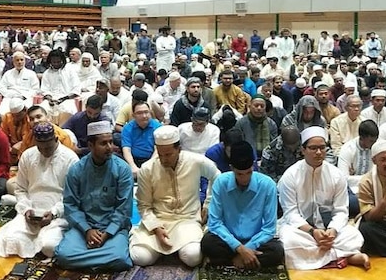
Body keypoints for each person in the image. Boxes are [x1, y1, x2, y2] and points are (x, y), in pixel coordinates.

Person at [277, 126, 370, 270]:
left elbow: (341, 211)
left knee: (354, 235)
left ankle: (320, 258)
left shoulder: (336, 175)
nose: (319, 152)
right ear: (303, 150)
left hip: (329, 231)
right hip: (303, 230)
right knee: (288, 241)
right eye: (313, 148)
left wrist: (332, 231)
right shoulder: (290, 176)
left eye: (322, 148)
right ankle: (344, 256)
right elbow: (291, 213)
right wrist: (312, 232)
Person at [129, 126, 220, 267]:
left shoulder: (195, 161)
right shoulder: (147, 169)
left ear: (179, 149)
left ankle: (177, 249)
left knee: (193, 257)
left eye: (169, 154)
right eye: (160, 155)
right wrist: (156, 228)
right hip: (158, 220)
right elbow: (144, 205)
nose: (164, 159)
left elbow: (217, 176)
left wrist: (208, 203)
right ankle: (166, 248)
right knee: (140, 258)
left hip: (187, 220)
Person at [54, 121, 133, 272]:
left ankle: (85, 260)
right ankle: (101, 262)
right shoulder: (77, 170)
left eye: (111, 142)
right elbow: (70, 205)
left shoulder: (122, 169)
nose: (110, 147)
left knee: (120, 258)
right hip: (84, 226)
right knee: (63, 255)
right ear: (90, 145)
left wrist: (107, 233)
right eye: (104, 143)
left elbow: (124, 209)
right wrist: (87, 230)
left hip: (113, 228)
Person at [0, 123, 79, 258]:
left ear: (56, 139)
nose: (44, 151)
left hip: (59, 214)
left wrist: (54, 213)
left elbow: (72, 197)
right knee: (9, 240)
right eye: (40, 147)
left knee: (48, 246)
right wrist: (26, 209)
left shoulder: (70, 159)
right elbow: (21, 189)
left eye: (48, 147)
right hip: (31, 212)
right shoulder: (28, 156)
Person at [202, 140, 284, 268]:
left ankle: (231, 262)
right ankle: (246, 261)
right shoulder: (221, 182)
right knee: (208, 243)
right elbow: (215, 223)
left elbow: (269, 228)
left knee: (277, 251)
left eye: (248, 173)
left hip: (256, 239)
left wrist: (248, 248)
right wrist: (240, 248)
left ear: (253, 167)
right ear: (232, 168)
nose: (244, 178)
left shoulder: (268, 185)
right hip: (228, 240)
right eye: (240, 174)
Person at [337, 120, 380, 217]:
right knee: (352, 203)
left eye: (375, 141)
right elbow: (343, 178)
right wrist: (369, 177)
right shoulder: (348, 149)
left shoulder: (376, 148)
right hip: (352, 190)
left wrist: (356, 177)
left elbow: (379, 173)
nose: (374, 144)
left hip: (373, 187)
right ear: (362, 138)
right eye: (371, 141)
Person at [121, 100, 162, 176]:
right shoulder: (127, 128)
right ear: (133, 115)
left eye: (146, 112)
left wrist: (148, 166)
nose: (144, 116)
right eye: (139, 113)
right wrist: (133, 167)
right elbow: (126, 149)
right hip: (133, 160)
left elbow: (157, 150)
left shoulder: (158, 127)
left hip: (153, 160)